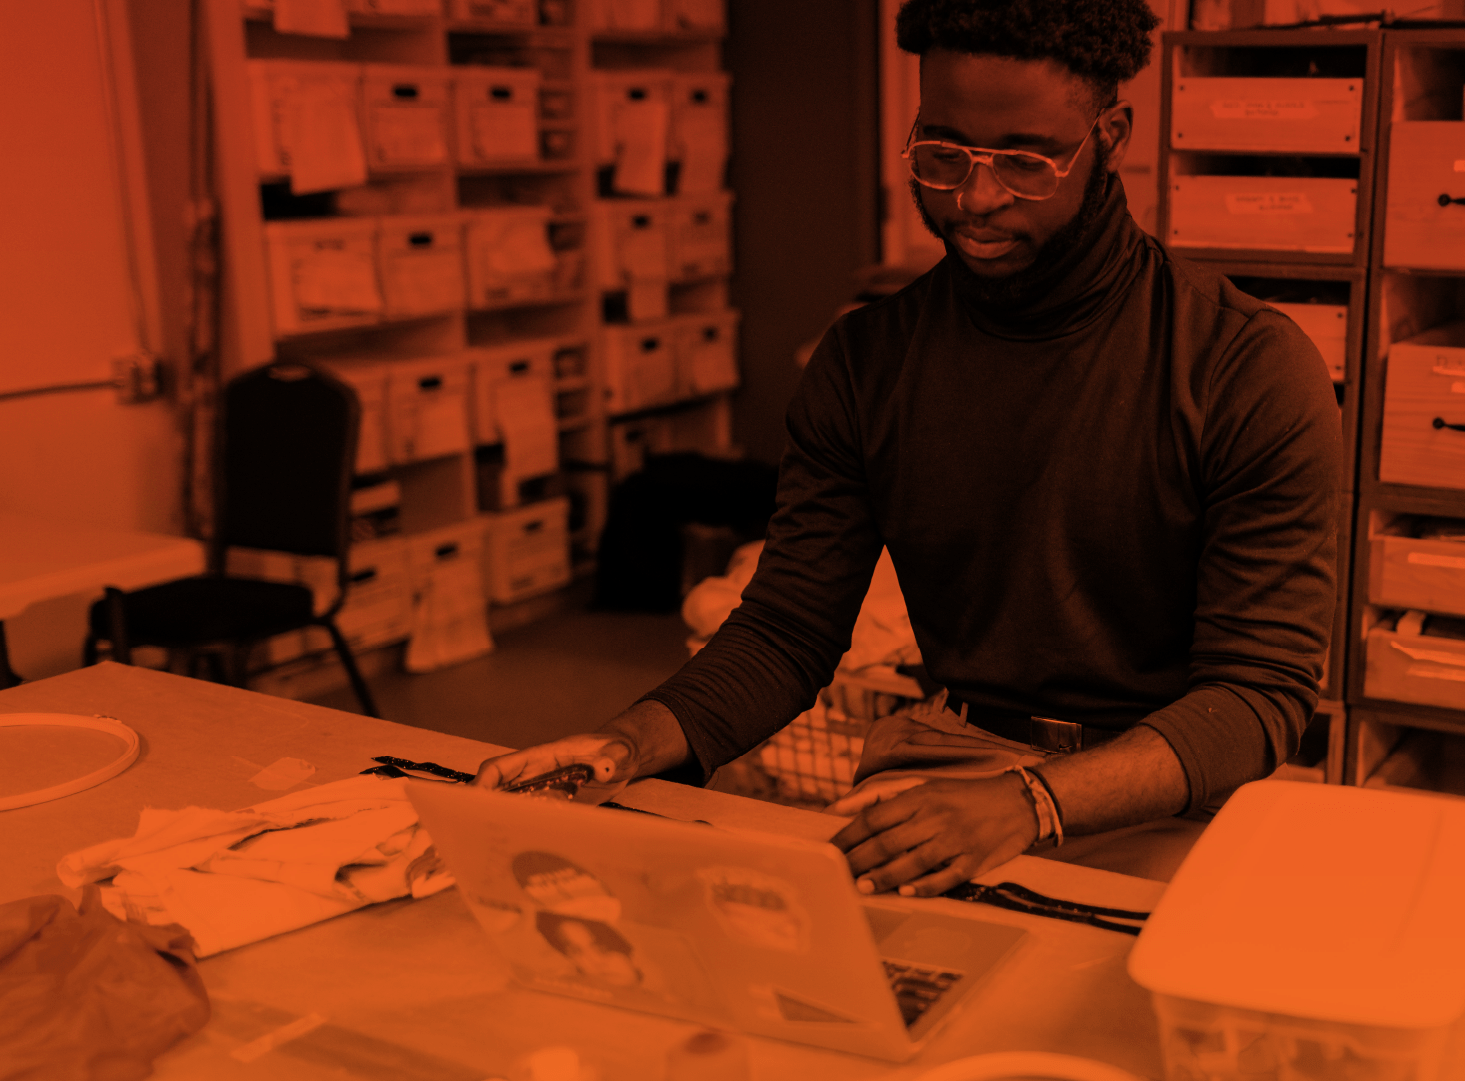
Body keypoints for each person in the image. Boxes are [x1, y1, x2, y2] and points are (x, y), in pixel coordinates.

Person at [476, 0, 1341, 892]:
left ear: (1108, 135)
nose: (975, 198)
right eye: (943, 153)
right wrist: (623, 744)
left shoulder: (1241, 365)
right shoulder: (869, 362)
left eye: (1025, 160)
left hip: (1157, 792)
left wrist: (1030, 802)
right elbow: (788, 628)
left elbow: (1256, 695)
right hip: (944, 757)